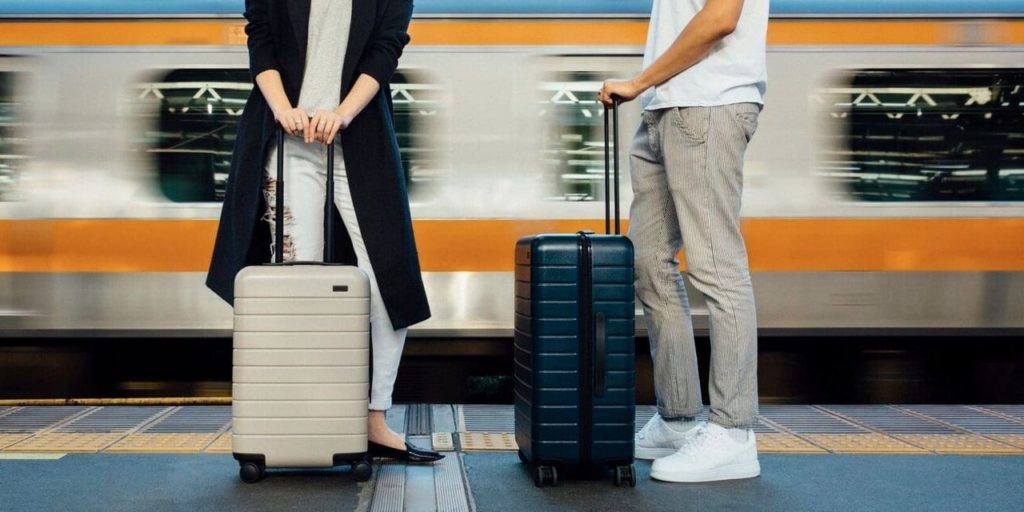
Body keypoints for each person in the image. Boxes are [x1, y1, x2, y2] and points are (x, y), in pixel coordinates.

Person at [206, 0, 441, 463]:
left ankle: (376, 417)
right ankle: (301, 416)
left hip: (359, 135)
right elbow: (262, 40)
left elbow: (385, 49)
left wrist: (343, 112)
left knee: (387, 280)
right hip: (288, 138)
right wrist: (283, 108)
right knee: (299, 281)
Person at [598, 0, 768, 483]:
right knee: (648, 262)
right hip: (665, 109)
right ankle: (678, 419)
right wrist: (650, 91)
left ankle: (734, 432)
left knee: (716, 266)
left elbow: (720, 18)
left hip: (710, 105)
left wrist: (638, 81)